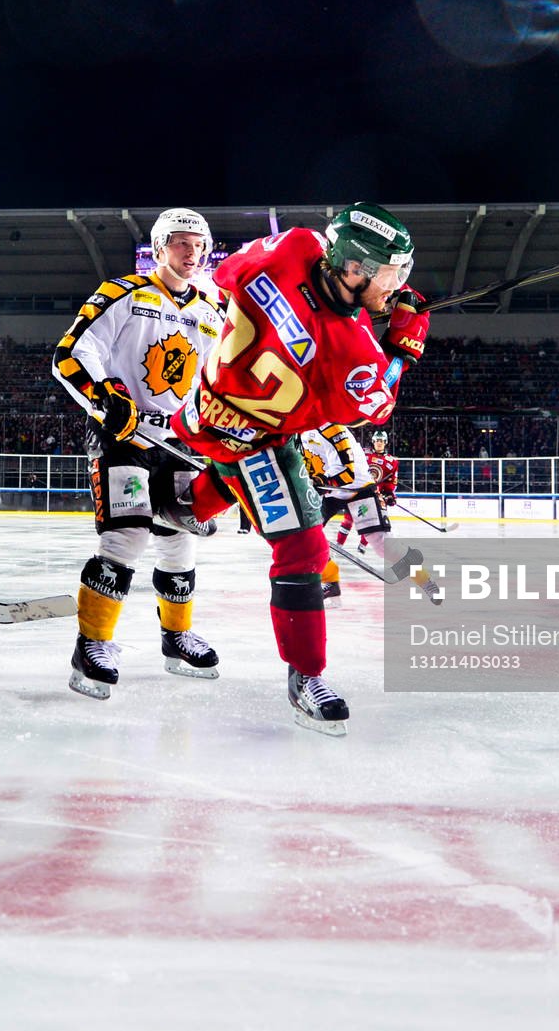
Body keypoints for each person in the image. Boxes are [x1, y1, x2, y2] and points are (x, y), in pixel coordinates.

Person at [171, 202, 430, 733]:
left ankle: (186, 506)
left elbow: (226, 276)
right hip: (254, 438)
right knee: (303, 550)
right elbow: (377, 403)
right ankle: (305, 678)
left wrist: (340, 314)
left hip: (204, 407)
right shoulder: (354, 352)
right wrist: (404, 346)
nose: (397, 284)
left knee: (233, 476)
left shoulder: (294, 245)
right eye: (389, 273)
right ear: (354, 268)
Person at [51, 208, 224, 699]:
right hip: (123, 437)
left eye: (199, 245)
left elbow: (220, 379)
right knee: (126, 535)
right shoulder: (123, 292)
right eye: (181, 242)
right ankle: (92, 644)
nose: (192, 253)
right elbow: (71, 353)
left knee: (179, 540)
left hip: (181, 444)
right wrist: (106, 395)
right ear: (160, 247)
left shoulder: (212, 311)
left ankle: (177, 638)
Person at [302, 424, 376, 608]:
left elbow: (347, 472)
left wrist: (321, 481)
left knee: (382, 544)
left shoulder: (330, 427)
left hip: (358, 488)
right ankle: (331, 584)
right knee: (304, 535)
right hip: (332, 492)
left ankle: (422, 578)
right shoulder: (299, 431)